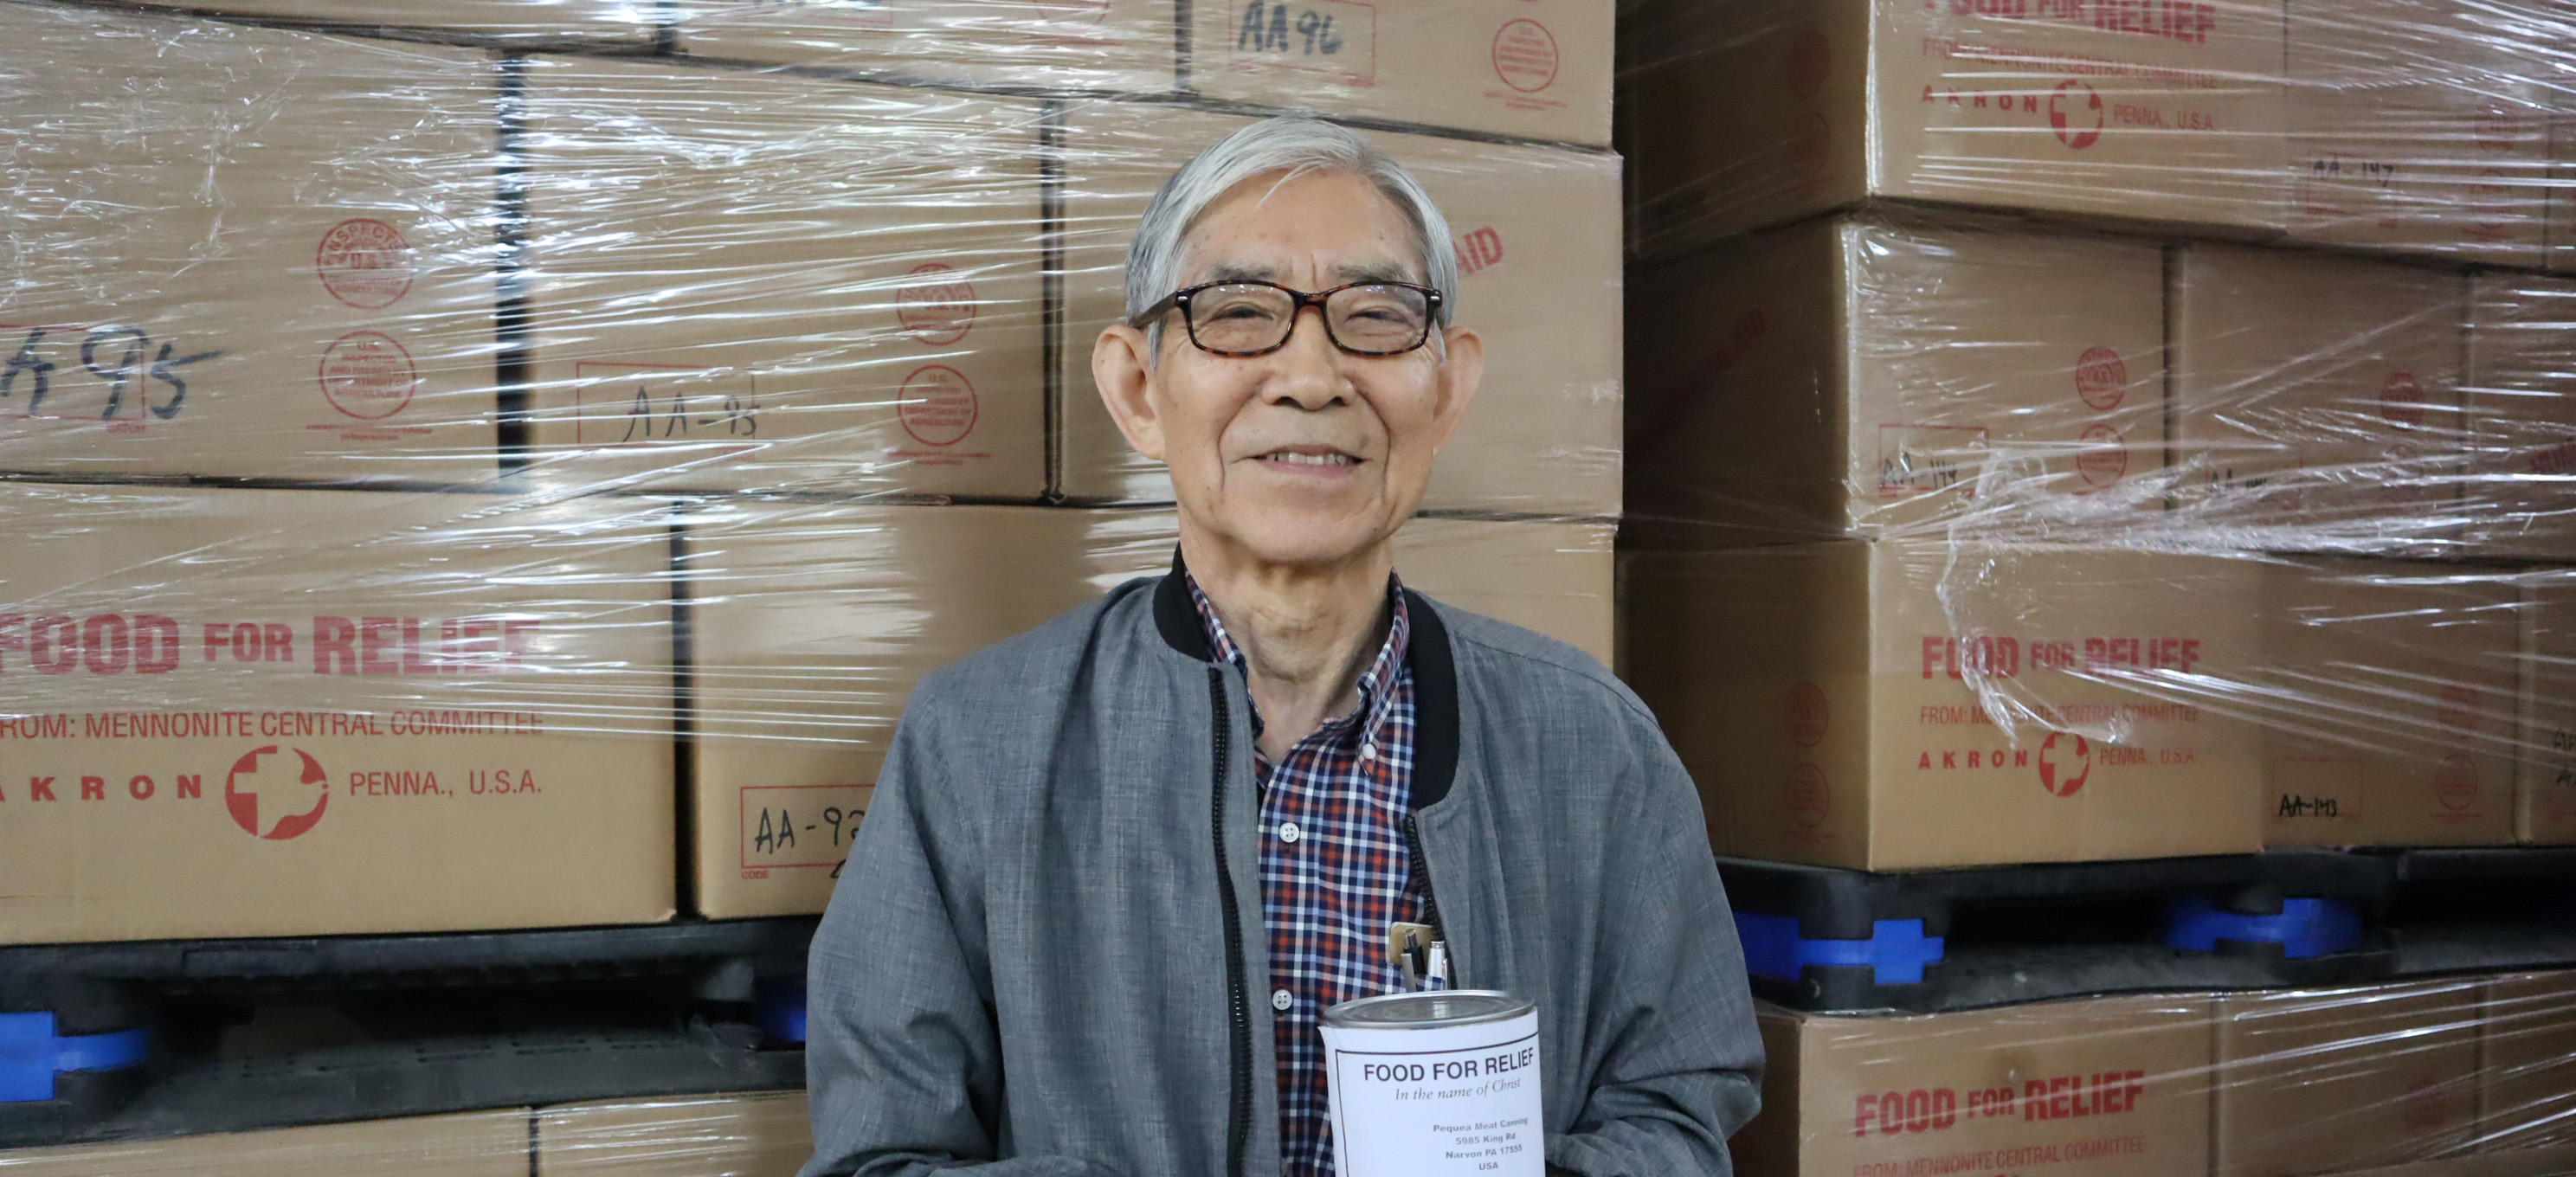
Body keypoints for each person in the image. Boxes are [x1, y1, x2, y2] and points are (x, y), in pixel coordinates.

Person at [799, 116, 1762, 1177]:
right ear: (1136, 388)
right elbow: (879, 1154)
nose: (1312, 375)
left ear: (1447, 388)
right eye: (1241, 313)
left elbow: (1678, 1109)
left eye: (1377, 317)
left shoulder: (1592, 746)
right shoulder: (977, 744)